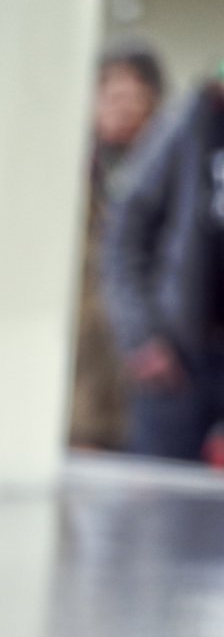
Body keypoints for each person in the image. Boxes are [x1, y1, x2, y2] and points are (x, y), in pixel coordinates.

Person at [103, 56, 224, 462]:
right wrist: (142, 338)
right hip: (176, 364)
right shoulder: (181, 132)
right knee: (159, 507)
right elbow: (123, 240)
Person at [73, 44, 165, 450]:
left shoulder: (168, 182)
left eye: (136, 98)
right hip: (80, 370)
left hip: (144, 372)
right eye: (112, 96)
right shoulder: (73, 174)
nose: (123, 109)